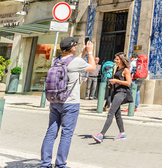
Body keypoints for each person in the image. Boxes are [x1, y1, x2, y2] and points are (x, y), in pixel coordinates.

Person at [41, 37, 96, 168]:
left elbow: (72, 61)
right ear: (72, 48)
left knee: (51, 132)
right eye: (75, 45)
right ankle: (60, 164)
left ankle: (45, 164)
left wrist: (82, 53)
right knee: (66, 134)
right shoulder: (76, 62)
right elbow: (92, 67)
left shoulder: (57, 60)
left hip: (55, 102)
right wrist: (90, 52)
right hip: (70, 103)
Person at [92, 52, 133, 142]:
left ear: (122, 60)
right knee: (117, 114)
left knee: (110, 112)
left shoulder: (126, 70)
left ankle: (101, 134)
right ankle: (122, 133)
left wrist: (116, 80)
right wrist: (112, 83)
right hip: (115, 92)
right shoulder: (116, 68)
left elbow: (128, 82)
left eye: (117, 59)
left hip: (121, 93)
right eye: (115, 59)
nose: (115, 61)